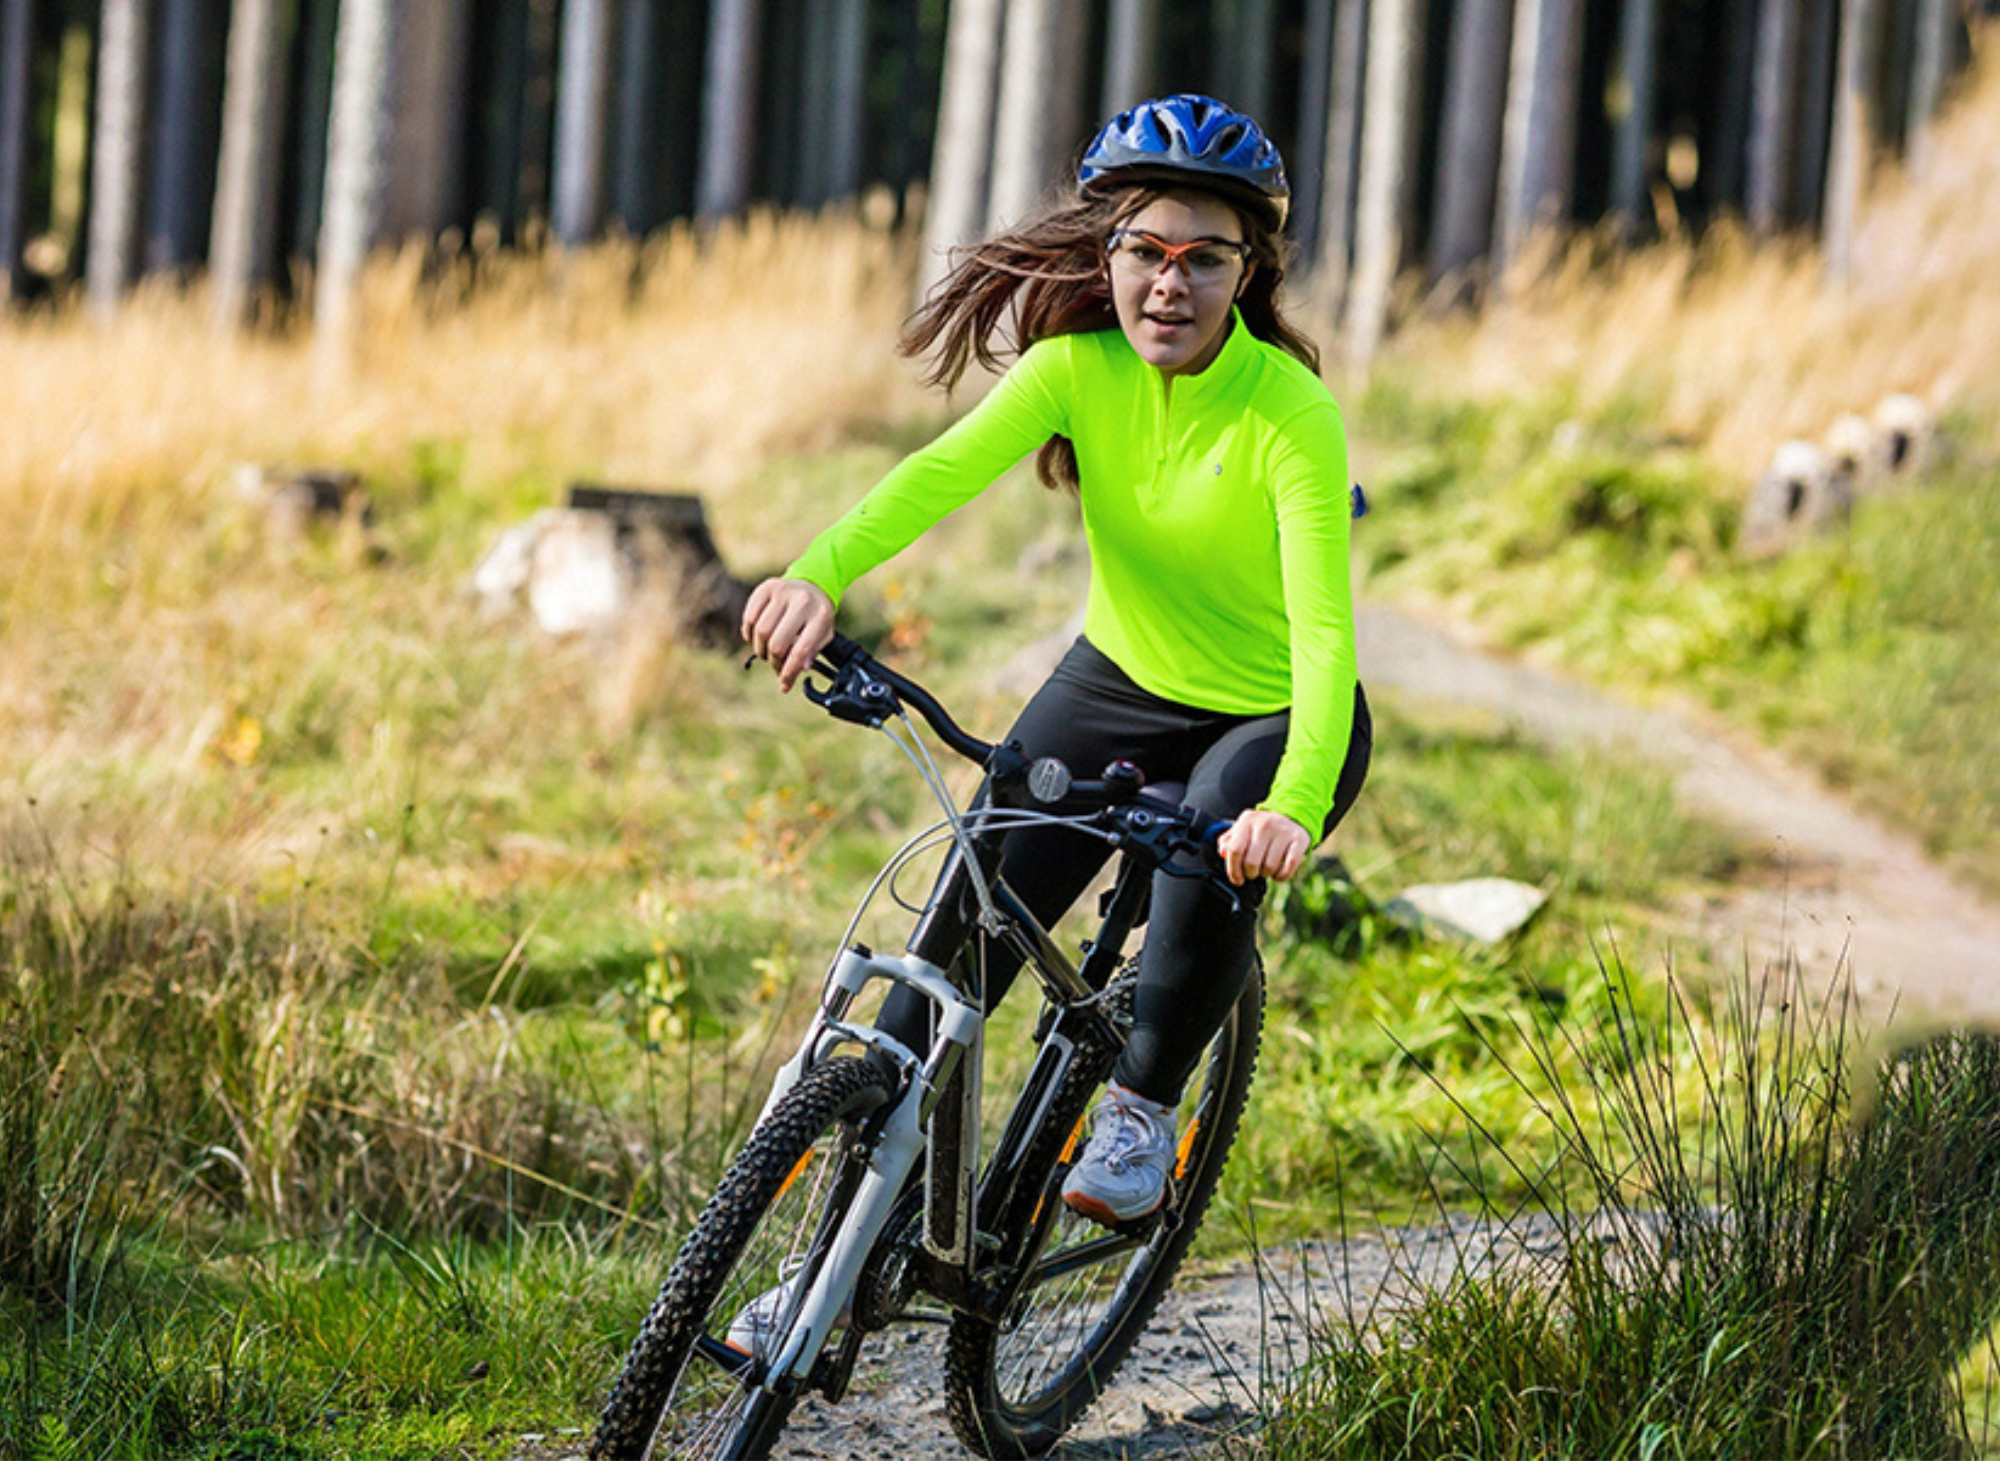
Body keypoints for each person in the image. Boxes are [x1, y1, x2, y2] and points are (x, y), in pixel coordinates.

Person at [742, 93, 1371, 1228]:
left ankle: (1140, 1109)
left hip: (1268, 714)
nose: (1170, 283)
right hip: (1116, 682)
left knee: (1206, 853)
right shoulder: (1074, 370)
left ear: (1249, 273)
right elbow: (934, 476)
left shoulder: (1292, 414)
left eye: (1204, 258)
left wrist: (1292, 801)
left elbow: (1326, 632)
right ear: (1108, 253)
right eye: (1146, 251)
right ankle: (822, 1272)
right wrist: (817, 574)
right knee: (946, 960)